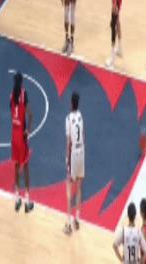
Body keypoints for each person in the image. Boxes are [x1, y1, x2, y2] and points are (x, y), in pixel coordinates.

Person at [10, 72, 34, 213]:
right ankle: (27, 200)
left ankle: (17, 198)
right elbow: (30, 114)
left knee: (16, 166)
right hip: (22, 136)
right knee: (25, 168)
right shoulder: (24, 95)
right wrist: (28, 129)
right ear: (22, 82)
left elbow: (12, 112)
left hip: (14, 133)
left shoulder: (11, 95)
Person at [63, 92, 85, 235]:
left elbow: (69, 141)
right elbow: (83, 135)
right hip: (81, 151)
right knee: (79, 185)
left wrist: (67, 158)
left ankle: (68, 223)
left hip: (73, 154)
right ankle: (77, 218)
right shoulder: (80, 116)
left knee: (69, 186)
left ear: (71, 103)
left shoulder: (68, 119)